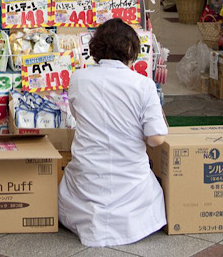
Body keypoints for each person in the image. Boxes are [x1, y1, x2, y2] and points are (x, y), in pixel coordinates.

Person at [59, 19, 168, 247]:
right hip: (131, 183)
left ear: (96, 48)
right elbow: (157, 139)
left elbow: (79, 117)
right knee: (151, 192)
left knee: (74, 188)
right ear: (131, 50)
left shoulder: (78, 79)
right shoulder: (143, 85)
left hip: (87, 178)